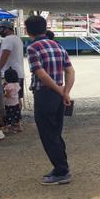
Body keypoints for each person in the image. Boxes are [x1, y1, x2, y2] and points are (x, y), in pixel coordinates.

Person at [25, 15, 75, 185]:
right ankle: (61, 167)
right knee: (55, 133)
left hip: (45, 94)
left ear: (27, 31)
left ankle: (62, 171)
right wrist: (65, 92)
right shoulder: (58, 46)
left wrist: (60, 91)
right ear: (45, 29)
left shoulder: (32, 48)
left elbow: (41, 75)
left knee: (48, 135)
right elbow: (70, 71)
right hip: (58, 95)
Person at [0, 20, 25, 131]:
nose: (0, 31)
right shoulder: (17, 38)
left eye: (1, 28)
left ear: (7, 29)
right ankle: (17, 122)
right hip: (19, 73)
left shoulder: (8, 39)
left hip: (9, 74)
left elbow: (5, 54)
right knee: (17, 99)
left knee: (8, 100)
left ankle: (10, 123)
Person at [2, 67, 21, 134]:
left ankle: (7, 128)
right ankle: (19, 127)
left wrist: (3, 95)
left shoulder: (8, 86)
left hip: (9, 104)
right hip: (16, 103)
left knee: (8, 116)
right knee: (16, 116)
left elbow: (8, 96)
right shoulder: (17, 84)